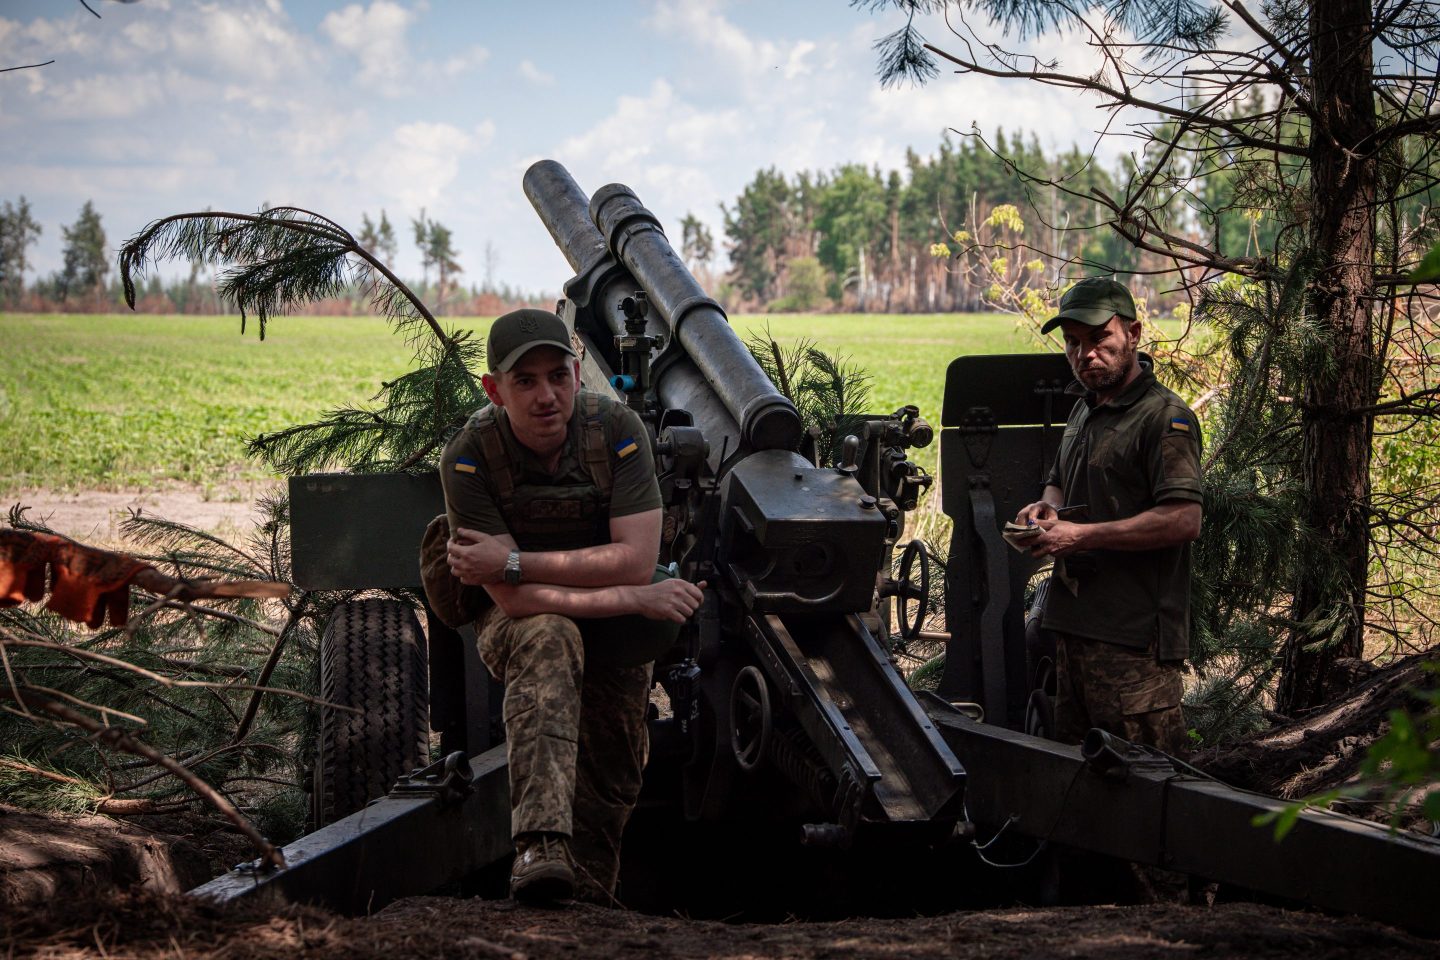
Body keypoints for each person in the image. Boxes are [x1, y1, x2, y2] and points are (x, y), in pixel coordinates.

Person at [441, 308, 705, 905]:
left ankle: (583, 910)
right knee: (550, 633)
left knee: (613, 774)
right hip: (518, 621)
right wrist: (631, 595)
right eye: (525, 381)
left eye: (558, 376)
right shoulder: (470, 455)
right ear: (494, 390)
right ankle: (539, 846)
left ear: (577, 372)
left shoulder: (616, 430)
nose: (546, 396)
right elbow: (515, 600)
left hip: (612, 623)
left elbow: (635, 560)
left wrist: (512, 560)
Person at [1014, 278, 1203, 755]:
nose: (1086, 354)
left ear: (1133, 334)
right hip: (1072, 631)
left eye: (1099, 338)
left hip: (1134, 645)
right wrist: (1046, 509)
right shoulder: (1084, 409)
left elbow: (1184, 519)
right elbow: (1058, 481)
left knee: (1144, 783)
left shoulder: (1165, 418)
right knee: (1079, 781)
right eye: (1073, 343)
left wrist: (1080, 537)